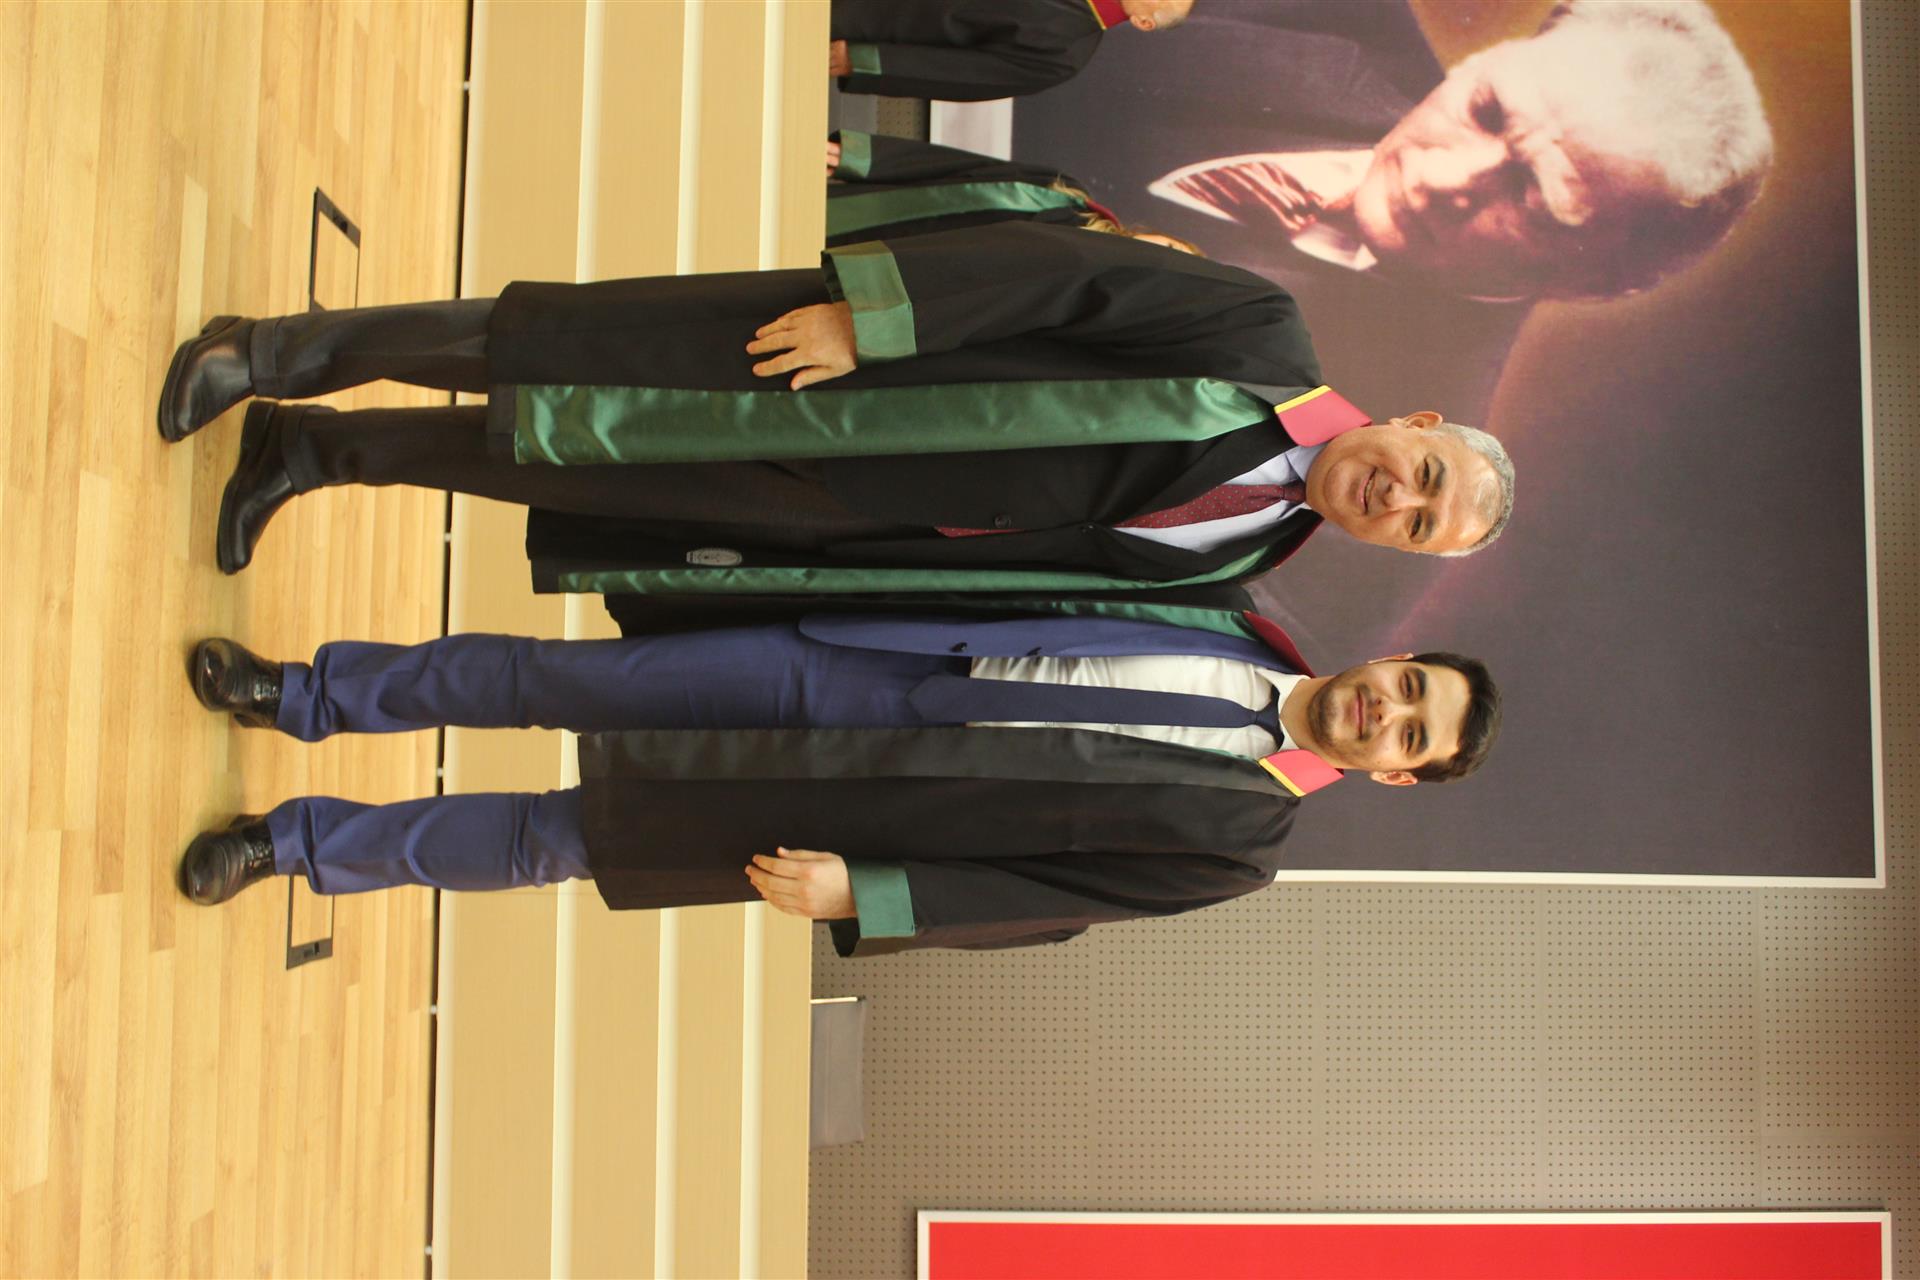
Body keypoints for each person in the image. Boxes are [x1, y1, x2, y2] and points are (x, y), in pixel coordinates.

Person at [157, 222, 1515, 607]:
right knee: (548, 348)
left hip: (839, 510)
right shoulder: (1263, 339)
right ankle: (274, 354)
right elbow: (1070, 274)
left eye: (1419, 524)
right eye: (1425, 473)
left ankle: (316, 452)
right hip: (854, 378)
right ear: (1416, 418)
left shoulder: (1243, 562)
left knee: (545, 459)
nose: (1398, 497)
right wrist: (879, 318)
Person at [175, 604, 1501, 954]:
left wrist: (874, 891)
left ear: (1394, 775)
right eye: (1410, 686)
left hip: (866, 807)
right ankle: (304, 694)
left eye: (1409, 734)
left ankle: (292, 846)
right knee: (555, 676)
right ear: (1394, 654)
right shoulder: (1237, 609)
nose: (1387, 709)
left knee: (555, 839)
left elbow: (1053, 896)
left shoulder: (1243, 843)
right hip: (866, 667)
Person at [1016, 0, 1772, 422]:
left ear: (1596, 286)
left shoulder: (1389, 459)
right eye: (1486, 110)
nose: (1450, 178)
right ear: (1490, 61)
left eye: (1534, 197)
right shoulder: (1347, 16)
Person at [825, 129, 1201, 253]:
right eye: (1169, 246)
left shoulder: (1073, 291)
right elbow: (963, 167)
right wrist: (862, 159)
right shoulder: (1067, 194)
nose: (1159, 250)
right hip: (870, 212)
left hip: (867, 272)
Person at [830, 0, 1194, 103]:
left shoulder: (1066, 55)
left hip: (868, 21)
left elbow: (964, 74)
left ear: (1144, 22)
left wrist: (864, 61)